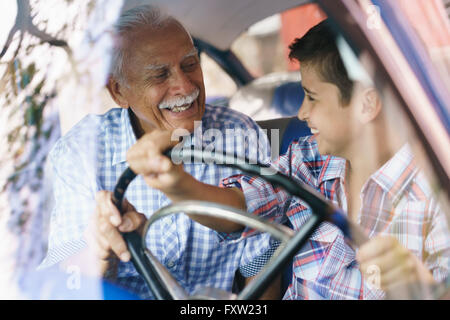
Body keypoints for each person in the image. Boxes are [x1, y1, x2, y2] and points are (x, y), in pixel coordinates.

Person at [130, 20, 450, 299]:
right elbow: (236, 209)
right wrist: (178, 184)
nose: (301, 113)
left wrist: (423, 288)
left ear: (366, 105)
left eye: (311, 97)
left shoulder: (436, 194)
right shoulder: (306, 160)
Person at [39, 5, 275, 299]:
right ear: (118, 92)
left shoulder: (239, 134)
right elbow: (67, 279)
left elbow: (263, 260)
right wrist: (100, 252)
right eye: (160, 75)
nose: (185, 86)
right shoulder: (81, 151)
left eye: (190, 64)